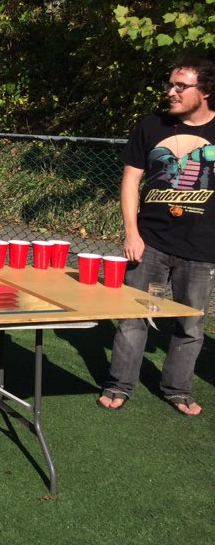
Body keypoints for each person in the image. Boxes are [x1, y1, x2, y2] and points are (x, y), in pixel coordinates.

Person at [98, 51, 215, 416]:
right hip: (150, 242)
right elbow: (131, 179)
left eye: (181, 85)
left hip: (202, 248)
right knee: (133, 317)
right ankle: (119, 385)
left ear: (206, 90)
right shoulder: (152, 126)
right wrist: (132, 232)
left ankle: (178, 389)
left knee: (190, 324)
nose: (171, 91)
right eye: (170, 83)